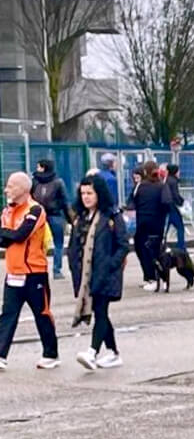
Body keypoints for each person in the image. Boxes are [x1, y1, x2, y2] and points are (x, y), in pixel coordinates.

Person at [68, 171, 130, 371]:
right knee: (100, 312)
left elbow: (123, 245)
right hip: (86, 274)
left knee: (101, 310)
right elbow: (74, 246)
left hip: (106, 273)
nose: (86, 197)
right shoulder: (80, 218)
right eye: (83, 193)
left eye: (90, 193)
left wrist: (111, 264)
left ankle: (92, 352)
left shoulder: (112, 216)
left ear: (99, 194)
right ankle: (113, 352)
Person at [0, 170, 60, 370]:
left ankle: (51, 354)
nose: (6, 190)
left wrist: (7, 234)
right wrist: (8, 235)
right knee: (8, 315)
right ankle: (1, 355)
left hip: (34, 273)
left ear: (23, 189)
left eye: (11, 186)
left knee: (42, 313)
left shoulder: (35, 210)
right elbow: (5, 240)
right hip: (13, 272)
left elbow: (20, 235)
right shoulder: (7, 211)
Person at [129, 159, 169, 288]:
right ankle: (160, 277)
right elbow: (167, 202)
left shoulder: (140, 186)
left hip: (142, 223)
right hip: (158, 224)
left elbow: (132, 201)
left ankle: (150, 277)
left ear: (145, 172)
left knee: (142, 249)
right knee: (157, 250)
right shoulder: (162, 186)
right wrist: (162, 214)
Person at [31, 157, 72, 280]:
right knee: (58, 243)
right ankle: (56, 270)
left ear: (43, 167)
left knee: (37, 243)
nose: (37, 169)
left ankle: (37, 268)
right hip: (55, 214)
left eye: (38, 166)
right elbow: (65, 201)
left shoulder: (34, 181)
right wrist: (70, 219)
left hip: (38, 215)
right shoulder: (58, 182)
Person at [163, 163, 186, 248]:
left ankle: (162, 246)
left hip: (165, 208)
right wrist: (181, 202)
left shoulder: (166, 180)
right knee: (180, 227)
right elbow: (175, 195)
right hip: (172, 207)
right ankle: (181, 247)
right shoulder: (173, 181)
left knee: (165, 229)